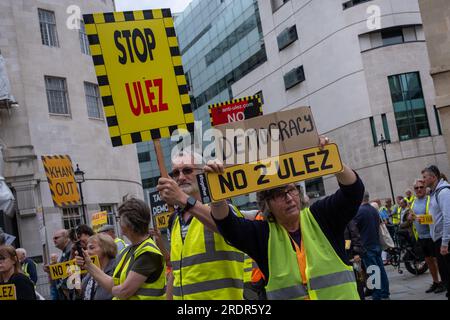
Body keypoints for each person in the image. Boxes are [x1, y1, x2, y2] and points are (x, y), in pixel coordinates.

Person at [203, 137, 364, 300]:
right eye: (279, 194)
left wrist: (334, 160)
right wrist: (217, 193)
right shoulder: (262, 235)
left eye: (291, 190)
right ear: (267, 204)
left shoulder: (321, 216)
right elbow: (228, 225)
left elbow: (353, 191)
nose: (288, 198)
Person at [157, 149, 245, 300]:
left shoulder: (221, 208)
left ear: (202, 173)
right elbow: (176, 270)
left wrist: (183, 199)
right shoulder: (174, 220)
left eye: (187, 170)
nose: (181, 177)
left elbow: (226, 227)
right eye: (176, 173)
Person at [76, 198, 165, 300]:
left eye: (119, 218)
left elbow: (123, 292)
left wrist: (115, 289)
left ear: (129, 224)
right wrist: (88, 265)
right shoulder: (128, 250)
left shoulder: (148, 253)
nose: (118, 222)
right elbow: (113, 283)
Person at [408, 178, 445, 293]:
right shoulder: (413, 202)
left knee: (438, 261)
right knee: (428, 261)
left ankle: (444, 282)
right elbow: (411, 216)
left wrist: (421, 218)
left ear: (425, 188)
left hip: (432, 235)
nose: (419, 189)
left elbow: (434, 218)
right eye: (416, 188)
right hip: (421, 236)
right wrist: (410, 218)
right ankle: (436, 282)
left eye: (421, 187)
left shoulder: (430, 199)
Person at [354, 191, 390, 300]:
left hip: (367, 246)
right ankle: (385, 293)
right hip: (376, 244)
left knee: (373, 271)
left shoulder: (359, 211)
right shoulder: (373, 210)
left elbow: (354, 228)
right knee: (380, 270)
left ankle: (377, 295)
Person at [422, 165, 450, 299]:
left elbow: (448, 219)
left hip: (444, 240)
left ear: (433, 177)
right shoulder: (434, 193)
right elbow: (435, 217)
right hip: (437, 239)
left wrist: (445, 243)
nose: (423, 180)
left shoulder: (443, 192)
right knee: (445, 276)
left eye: (425, 177)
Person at [81, 233, 117, 300]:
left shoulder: (116, 267)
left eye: (91, 248)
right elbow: (81, 293)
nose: (87, 252)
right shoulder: (90, 270)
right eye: (86, 248)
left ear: (106, 248)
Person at [44, 229, 73, 300]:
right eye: (53, 238)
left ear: (66, 238)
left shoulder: (71, 250)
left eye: (56, 238)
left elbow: (71, 271)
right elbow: (62, 271)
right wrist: (51, 269)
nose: (54, 240)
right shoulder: (65, 251)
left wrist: (67, 290)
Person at [344, 218, 365, 300]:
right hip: (345, 256)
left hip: (353, 255)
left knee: (359, 280)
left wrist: (356, 253)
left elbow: (355, 236)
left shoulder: (348, 220)